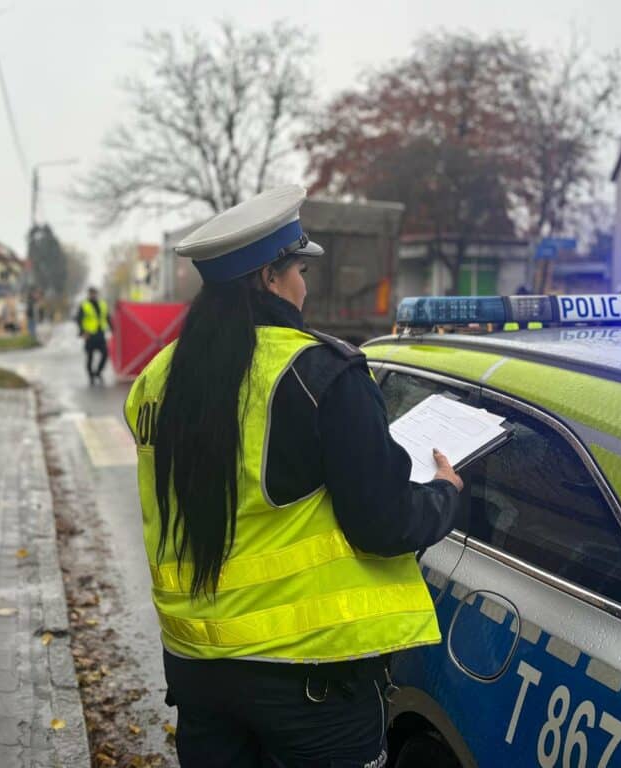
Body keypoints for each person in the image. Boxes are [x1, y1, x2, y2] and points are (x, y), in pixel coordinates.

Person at [123, 185, 464, 768]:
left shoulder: (155, 379)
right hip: (305, 677)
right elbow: (383, 523)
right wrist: (444, 496)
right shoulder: (319, 373)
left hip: (196, 664)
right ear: (270, 279)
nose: (305, 285)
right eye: (300, 269)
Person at [75, 286, 111, 384]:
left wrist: (113, 329)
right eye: (91, 293)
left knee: (105, 354)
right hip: (90, 335)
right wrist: (82, 332)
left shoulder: (102, 304)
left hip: (100, 334)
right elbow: (78, 319)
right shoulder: (84, 305)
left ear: (96, 294)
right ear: (89, 294)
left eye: (94, 293)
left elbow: (107, 317)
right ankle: (91, 376)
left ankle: (98, 372)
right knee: (90, 357)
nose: (93, 295)